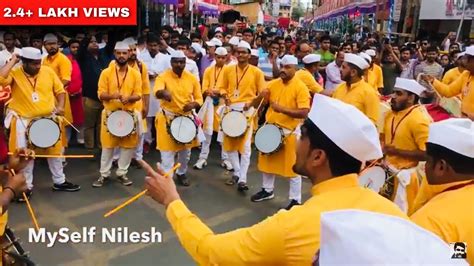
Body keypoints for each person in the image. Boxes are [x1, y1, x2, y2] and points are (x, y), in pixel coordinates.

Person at [139, 94, 407, 265]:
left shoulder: (292, 226)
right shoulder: (391, 211)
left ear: (317, 157)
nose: (296, 144)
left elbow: (212, 252)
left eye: (302, 138)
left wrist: (171, 200)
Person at [0, 48, 81, 200]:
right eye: (34, 64)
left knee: (55, 152)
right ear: (24, 62)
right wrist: (13, 60)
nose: (38, 66)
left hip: (48, 119)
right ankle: (26, 187)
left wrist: (61, 106)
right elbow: (0, 78)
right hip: (23, 121)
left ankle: (59, 181)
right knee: (26, 156)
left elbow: (60, 91)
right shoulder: (15, 72)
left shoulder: (48, 72)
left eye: (39, 63)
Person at [250, 55, 310, 210]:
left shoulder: (301, 87)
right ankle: (267, 190)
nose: (283, 70)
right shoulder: (273, 84)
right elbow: (259, 103)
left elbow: (304, 112)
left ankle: (295, 200)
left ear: (295, 69)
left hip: (290, 132)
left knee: (293, 167)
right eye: (282, 66)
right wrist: (260, 98)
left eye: (287, 67)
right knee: (267, 162)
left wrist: (281, 109)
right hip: (271, 128)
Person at [411, 118, 474, 264]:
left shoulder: (433, 221)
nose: (425, 167)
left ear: (441, 166)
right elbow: (460, 251)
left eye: (427, 161)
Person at [93, 42, 142, 187]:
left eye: (124, 53)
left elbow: (138, 95)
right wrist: (112, 96)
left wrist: (129, 98)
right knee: (108, 147)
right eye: (119, 53)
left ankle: (122, 173)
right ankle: (104, 174)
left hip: (128, 113)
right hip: (110, 113)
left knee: (127, 147)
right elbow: (100, 94)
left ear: (129, 54)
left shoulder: (135, 73)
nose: (121, 56)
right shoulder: (106, 73)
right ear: (114, 54)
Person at [218, 41, 265, 191]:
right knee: (229, 144)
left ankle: (242, 179)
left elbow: (263, 93)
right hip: (230, 109)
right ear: (235, 54)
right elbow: (221, 87)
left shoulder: (256, 72)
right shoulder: (228, 70)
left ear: (249, 55)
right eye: (238, 52)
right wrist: (225, 95)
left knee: (245, 146)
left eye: (244, 52)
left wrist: (251, 103)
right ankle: (237, 172)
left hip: (247, 111)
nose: (240, 54)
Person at [154, 50, 203, 186]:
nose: (179, 64)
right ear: (171, 63)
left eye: (181, 62)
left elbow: (199, 98)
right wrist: (163, 93)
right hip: (167, 117)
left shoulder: (191, 78)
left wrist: (194, 104)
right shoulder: (163, 77)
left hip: (186, 118)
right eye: (176, 62)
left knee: (185, 152)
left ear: (185, 63)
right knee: (167, 151)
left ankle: (181, 173)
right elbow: (157, 91)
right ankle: (167, 179)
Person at [382, 78, 431, 212]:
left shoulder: (419, 120)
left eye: (398, 94)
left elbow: (428, 154)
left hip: (406, 177)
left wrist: (397, 152)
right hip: (387, 171)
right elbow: (384, 139)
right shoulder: (389, 114)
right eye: (393, 93)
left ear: (411, 98)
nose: (392, 97)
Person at [193, 47, 232, 171]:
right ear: (215, 56)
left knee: (224, 131)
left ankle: (225, 159)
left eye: (223, 57)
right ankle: (203, 158)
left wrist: (219, 91)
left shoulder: (229, 70)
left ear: (226, 58)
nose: (220, 59)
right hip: (210, 102)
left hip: (223, 103)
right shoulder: (209, 70)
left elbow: (229, 88)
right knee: (207, 131)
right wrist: (208, 91)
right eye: (218, 57)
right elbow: (204, 86)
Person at [421, 45, 474, 120]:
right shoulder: (466, 74)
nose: (464, 61)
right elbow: (448, 91)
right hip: (464, 120)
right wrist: (433, 81)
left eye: (468, 58)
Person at [138, 34, 171, 151]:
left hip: (160, 92)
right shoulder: (141, 57)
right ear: (146, 45)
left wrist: (158, 75)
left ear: (159, 46)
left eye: (155, 45)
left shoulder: (165, 58)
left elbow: (169, 74)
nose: (153, 48)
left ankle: (161, 141)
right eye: (151, 45)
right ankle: (147, 141)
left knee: (161, 118)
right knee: (146, 118)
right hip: (146, 90)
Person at [332, 53, 379, 124]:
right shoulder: (340, 87)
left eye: (344, 67)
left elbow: (372, 121)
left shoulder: (369, 92)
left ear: (353, 72)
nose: (340, 69)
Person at [65, 39, 84, 144]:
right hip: (67, 95)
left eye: (77, 47)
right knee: (67, 119)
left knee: (79, 118)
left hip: (79, 94)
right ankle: (66, 141)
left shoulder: (81, 59)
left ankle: (80, 140)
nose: (75, 49)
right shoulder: (66, 60)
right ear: (69, 48)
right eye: (73, 47)